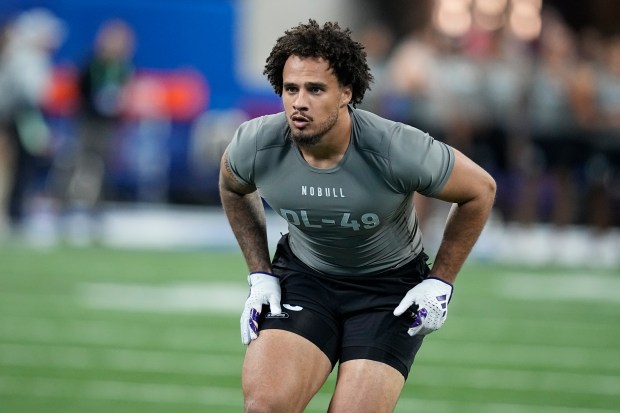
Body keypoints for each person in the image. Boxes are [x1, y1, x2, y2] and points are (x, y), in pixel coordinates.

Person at [219, 20, 496, 413]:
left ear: (347, 92)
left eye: (315, 89)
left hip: (388, 292)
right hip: (306, 279)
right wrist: (260, 272)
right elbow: (232, 186)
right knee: (265, 407)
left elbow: (480, 190)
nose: (299, 102)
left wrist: (441, 283)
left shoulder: (394, 147)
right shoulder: (256, 142)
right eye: (290, 88)